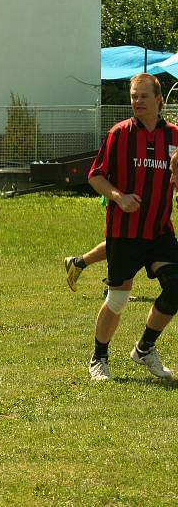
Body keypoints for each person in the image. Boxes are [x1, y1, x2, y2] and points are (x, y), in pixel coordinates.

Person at [86, 72, 178, 381]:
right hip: (124, 232)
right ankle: (99, 358)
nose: (137, 102)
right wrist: (119, 196)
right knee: (118, 299)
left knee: (176, 287)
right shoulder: (119, 134)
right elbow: (95, 175)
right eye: (134, 96)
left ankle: (144, 348)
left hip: (159, 230)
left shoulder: (175, 137)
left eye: (143, 96)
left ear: (159, 99)